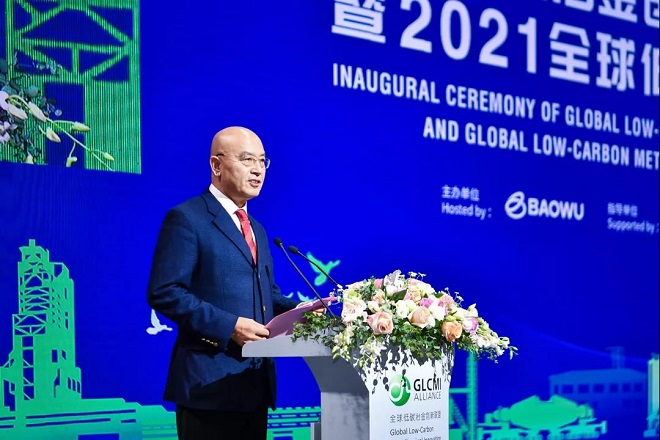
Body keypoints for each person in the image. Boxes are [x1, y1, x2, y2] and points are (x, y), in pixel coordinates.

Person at [147, 126, 299, 439]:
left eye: (262, 161)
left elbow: (267, 295)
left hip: (253, 385)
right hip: (208, 387)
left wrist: (305, 311)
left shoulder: (256, 228)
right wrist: (229, 326)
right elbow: (165, 291)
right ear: (216, 165)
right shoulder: (187, 218)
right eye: (247, 160)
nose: (257, 169)